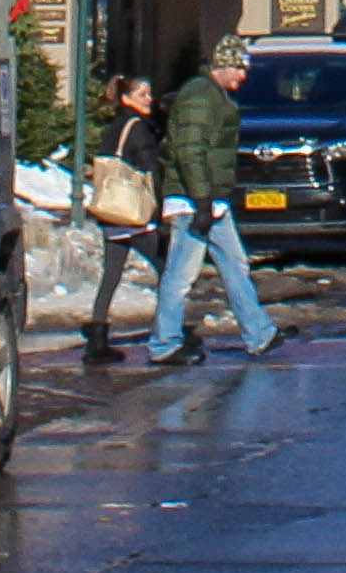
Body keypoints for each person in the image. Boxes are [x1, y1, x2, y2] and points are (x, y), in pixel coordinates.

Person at [144, 35, 282, 367]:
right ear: (221, 65)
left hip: (211, 203)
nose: (243, 76)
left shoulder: (211, 95)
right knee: (181, 274)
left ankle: (260, 332)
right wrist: (202, 200)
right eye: (238, 68)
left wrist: (210, 201)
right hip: (194, 203)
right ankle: (164, 344)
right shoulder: (199, 95)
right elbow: (190, 151)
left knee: (235, 265)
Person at [80, 71, 170, 360]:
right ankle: (168, 334)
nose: (150, 99)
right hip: (135, 216)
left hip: (111, 214)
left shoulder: (114, 126)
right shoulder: (139, 129)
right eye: (143, 94)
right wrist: (161, 207)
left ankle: (97, 338)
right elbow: (150, 170)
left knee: (111, 275)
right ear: (126, 98)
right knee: (167, 269)